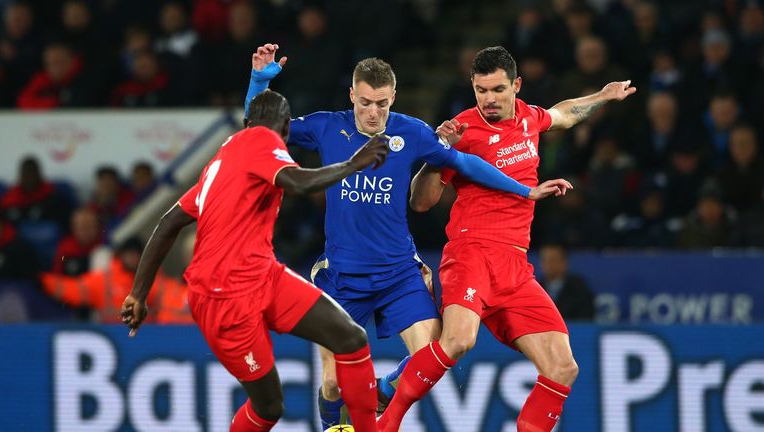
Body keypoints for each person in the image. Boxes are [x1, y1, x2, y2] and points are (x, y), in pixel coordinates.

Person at [245, 44, 571, 430]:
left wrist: (525, 191)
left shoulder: (411, 131)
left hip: (399, 273)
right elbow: (257, 131)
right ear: (352, 95)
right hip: (343, 274)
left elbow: (464, 162)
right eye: (365, 102)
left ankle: (382, 397)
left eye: (381, 104)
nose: (372, 113)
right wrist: (257, 83)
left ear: (393, 98)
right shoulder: (325, 127)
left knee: (433, 353)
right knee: (333, 383)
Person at [379, 46, 635, 432]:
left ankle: (385, 388)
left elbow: (563, 114)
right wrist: (438, 153)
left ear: (516, 85)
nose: (489, 99)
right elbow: (421, 202)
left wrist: (602, 96)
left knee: (563, 367)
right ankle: (384, 423)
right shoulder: (462, 130)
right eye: (481, 90)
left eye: (497, 89)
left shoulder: (530, 118)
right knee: (458, 341)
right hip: (472, 253)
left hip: (515, 267)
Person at [121, 90, 390, 432]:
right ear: (287, 129)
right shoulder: (262, 139)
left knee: (350, 337)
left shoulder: (222, 161)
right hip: (224, 296)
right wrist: (355, 164)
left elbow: (167, 224)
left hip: (263, 275)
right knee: (268, 407)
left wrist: (138, 294)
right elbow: (296, 183)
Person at [43, 237, 190, 324]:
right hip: (113, 335)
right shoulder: (105, 281)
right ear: (121, 255)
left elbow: (176, 306)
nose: (133, 258)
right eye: (129, 254)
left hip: (145, 338)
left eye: (137, 254)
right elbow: (70, 289)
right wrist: (41, 279)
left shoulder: (156, 280)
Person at [537, 244, 594, 321]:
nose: (549, 265)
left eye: (553, 260)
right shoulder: (536, 287)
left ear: (564, 262)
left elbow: (585, 315)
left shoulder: (578, 287)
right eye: (545, 260)